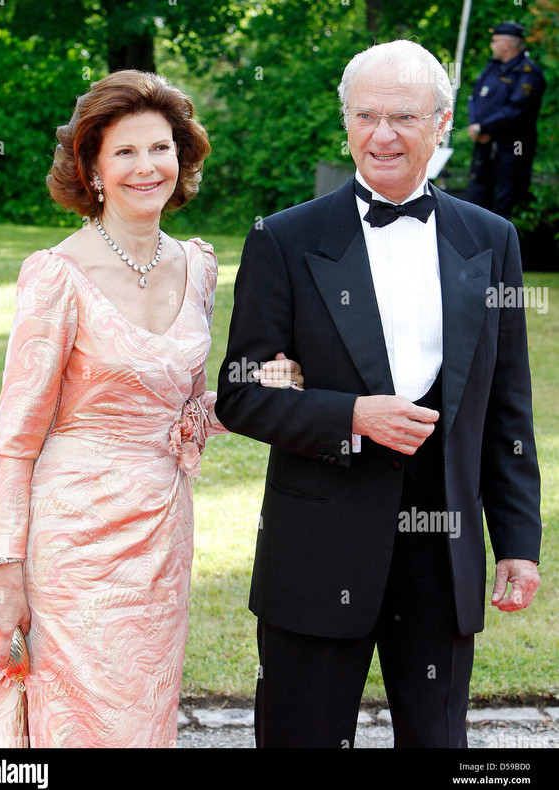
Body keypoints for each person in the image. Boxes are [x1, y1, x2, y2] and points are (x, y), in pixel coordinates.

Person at [215, 40, 542, 749]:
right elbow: (240, 393)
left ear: (443, 121)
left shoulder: (492, 240)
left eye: (402, 116)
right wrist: (350, 416)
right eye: (365, 116)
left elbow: (507, 406)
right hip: (317, 552)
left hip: (443, 555)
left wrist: (518, 543)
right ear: (346, 121)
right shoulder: (285, 239)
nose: (382, 135)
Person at [0, 69, 302, 748]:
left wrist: (259, 389)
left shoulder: (200, 267)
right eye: (124, 152)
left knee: (143, 719)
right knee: (76, 720)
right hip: (73, 545)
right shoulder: (59, 274)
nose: (147, 167)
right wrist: (4, 575)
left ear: (183, 158)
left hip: (163, 534)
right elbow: (14, 443)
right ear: (91, 168)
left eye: (160, 148)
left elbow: (185, 410)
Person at [466, 21, 546, 219]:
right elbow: (474, 98)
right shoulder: (492, 67)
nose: (491, 45)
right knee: (476, 198)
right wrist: (476, 127)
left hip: (512, 148)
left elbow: (517, 109)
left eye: (494, 41)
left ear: (507, 44)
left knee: (506, 200)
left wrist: (484, 127)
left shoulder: (528, 73)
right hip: (484, 145)